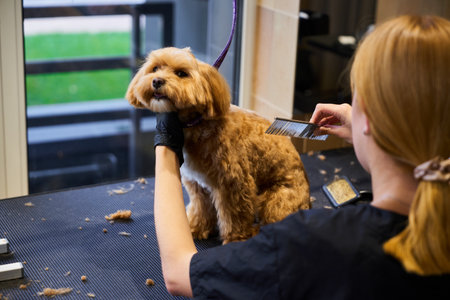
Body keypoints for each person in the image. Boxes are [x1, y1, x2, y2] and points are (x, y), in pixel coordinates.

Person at [153, 15, 450, 299]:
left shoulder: (310, 244)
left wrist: (166, 149)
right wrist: (359, 125)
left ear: (369, 118)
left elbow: (180, 274)